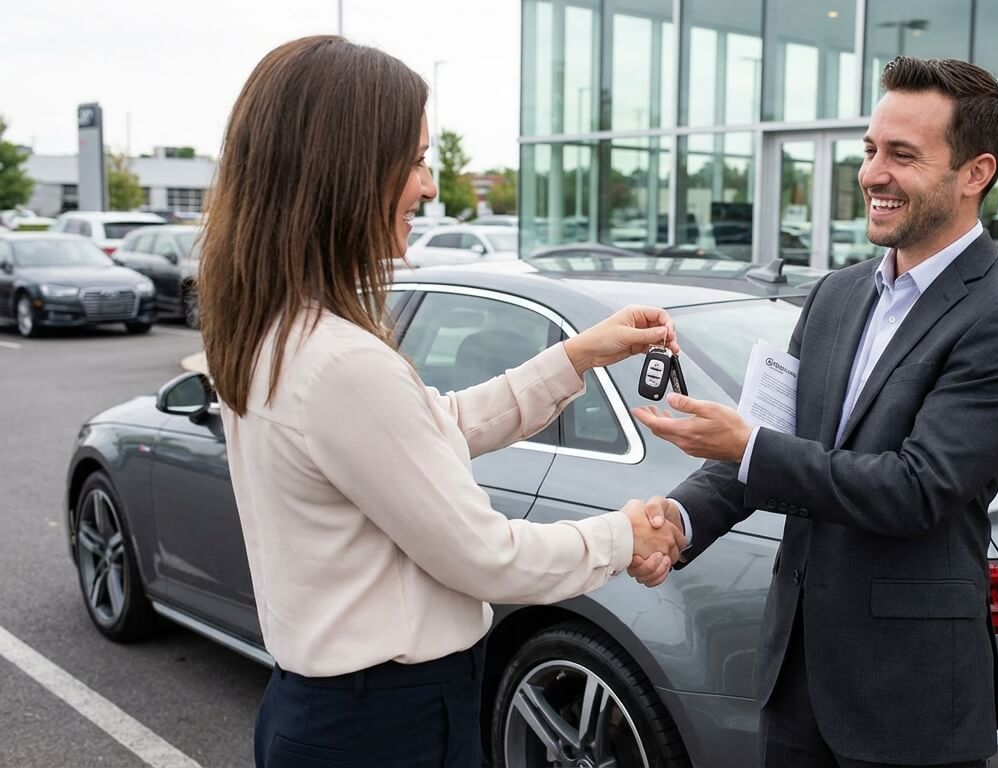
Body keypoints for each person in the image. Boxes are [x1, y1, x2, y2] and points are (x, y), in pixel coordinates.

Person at [197, 36, 684, 768]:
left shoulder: (275, 330)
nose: (429, 187)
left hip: (330, 713)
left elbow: (431, 428)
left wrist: (577, 355)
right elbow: (484, 556)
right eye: (418, 159)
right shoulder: (342, 362)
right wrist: (625, 535)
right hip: (388, 725)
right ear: (347, 169)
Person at [630, 57, 998, 768]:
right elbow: (774, 445)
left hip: (910, 701)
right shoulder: (837, 293)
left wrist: (746, 446)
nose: (871, 174)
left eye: (902, 154)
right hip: (796, 679)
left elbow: (917, 489)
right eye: (869, 150)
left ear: (975, 173)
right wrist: (677, 524)